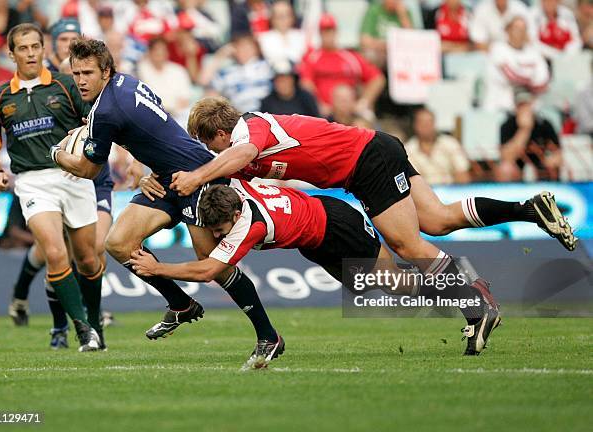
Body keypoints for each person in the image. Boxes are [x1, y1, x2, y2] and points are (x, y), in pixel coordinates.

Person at [176, 97, 579, 353]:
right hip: (374, 151)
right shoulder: (238, 151)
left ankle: (477, 308)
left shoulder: (249, 131)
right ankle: (529, 210)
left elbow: (237, 154)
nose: (208, 152)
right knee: (438, 220)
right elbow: (222, 171)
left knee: (408, 246)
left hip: (367, 162)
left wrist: (195, 178)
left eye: (208, 143)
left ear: (221, 133)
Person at [52, 37, 283, 366]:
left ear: (106, 71)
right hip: (164, 179)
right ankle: (180, 303)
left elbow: (89, 169)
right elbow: (148, 124)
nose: (81, 80)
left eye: (87, 72)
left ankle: (268, 335)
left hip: (197, 176)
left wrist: (56, 154)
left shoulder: (103, 110)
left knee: (213, 264)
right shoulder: (126, 83)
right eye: (76, 73)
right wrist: (142, 165)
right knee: (118, 243)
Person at [131, 180, 500, 359]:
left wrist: (157, 267)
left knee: (394, 284)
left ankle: (472, 296)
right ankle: (465, 292)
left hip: (338, 228)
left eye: (219, 229)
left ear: (234, 215)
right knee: (372, 285)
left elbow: (209, 270)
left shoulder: (250, 224)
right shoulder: (234, 189)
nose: (215, 234)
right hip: (316, 237)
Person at [0, 24, 103, 352]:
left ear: (44, 48)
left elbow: (94, 121)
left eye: (36, 46)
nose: (31, 53)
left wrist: (92, 154)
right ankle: (81, 330)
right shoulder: (1, 95)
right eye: (23, 48)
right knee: (53, 251)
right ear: (12, 54)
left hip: (74, 176)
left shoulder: (66, 85)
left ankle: (94, 321)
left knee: (88, 259)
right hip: (33, 181)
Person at [299, 14, 385, 118]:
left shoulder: (350, 57)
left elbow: (378, 79)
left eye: (330, 31)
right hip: (325, 115)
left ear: (336, 32)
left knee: (367, 121)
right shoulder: (312, 57)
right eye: (325, 32)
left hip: (351, 113)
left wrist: (363, 102)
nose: (328, 35)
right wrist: (318, 104)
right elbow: (306, 83)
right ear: (320, 34)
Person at [483, 16, 550, 112]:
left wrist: (527, 81)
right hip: (500, 105)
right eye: (517, 28)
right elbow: (512, 75)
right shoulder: (498, 48)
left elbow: (543, 81)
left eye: (524, 29)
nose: (521, 32)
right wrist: (532, 79)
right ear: (508, 30)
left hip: (529, 107)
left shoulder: (534, 52)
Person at [498, 88, 562, 182]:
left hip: (541, 163)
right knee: (506, 169)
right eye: (521, 105)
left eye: (527, 104)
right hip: (517, 165)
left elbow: (558, 152)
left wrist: (551, 160)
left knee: (552, 166)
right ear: (516, 106)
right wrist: (524, 130)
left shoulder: (544, 123)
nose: (524, 108)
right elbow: (506, 156)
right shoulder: (507, 125)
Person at [404, 108, 471, 185]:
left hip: (450, 191)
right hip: (421, 193)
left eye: (429, 123)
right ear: (415, 125)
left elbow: (462, 173)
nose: (426, 126)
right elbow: (411, 180)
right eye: (422, 123)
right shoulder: (408, 149)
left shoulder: (450, 143)